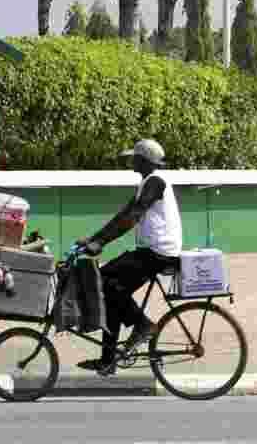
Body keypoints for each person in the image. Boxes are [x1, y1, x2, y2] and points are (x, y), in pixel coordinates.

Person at [75, 139, 182, 374]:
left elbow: (133, 216)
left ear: (143, 160)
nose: (130, 161)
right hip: (152, 252)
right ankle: (107, 360)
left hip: (158, 254)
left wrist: (100, 243)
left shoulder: (155, 182)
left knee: (104, 282)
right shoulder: (148, 182)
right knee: (110, 291)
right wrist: (93, 239)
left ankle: (143, 325)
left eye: (134, 157)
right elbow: (123, 214)